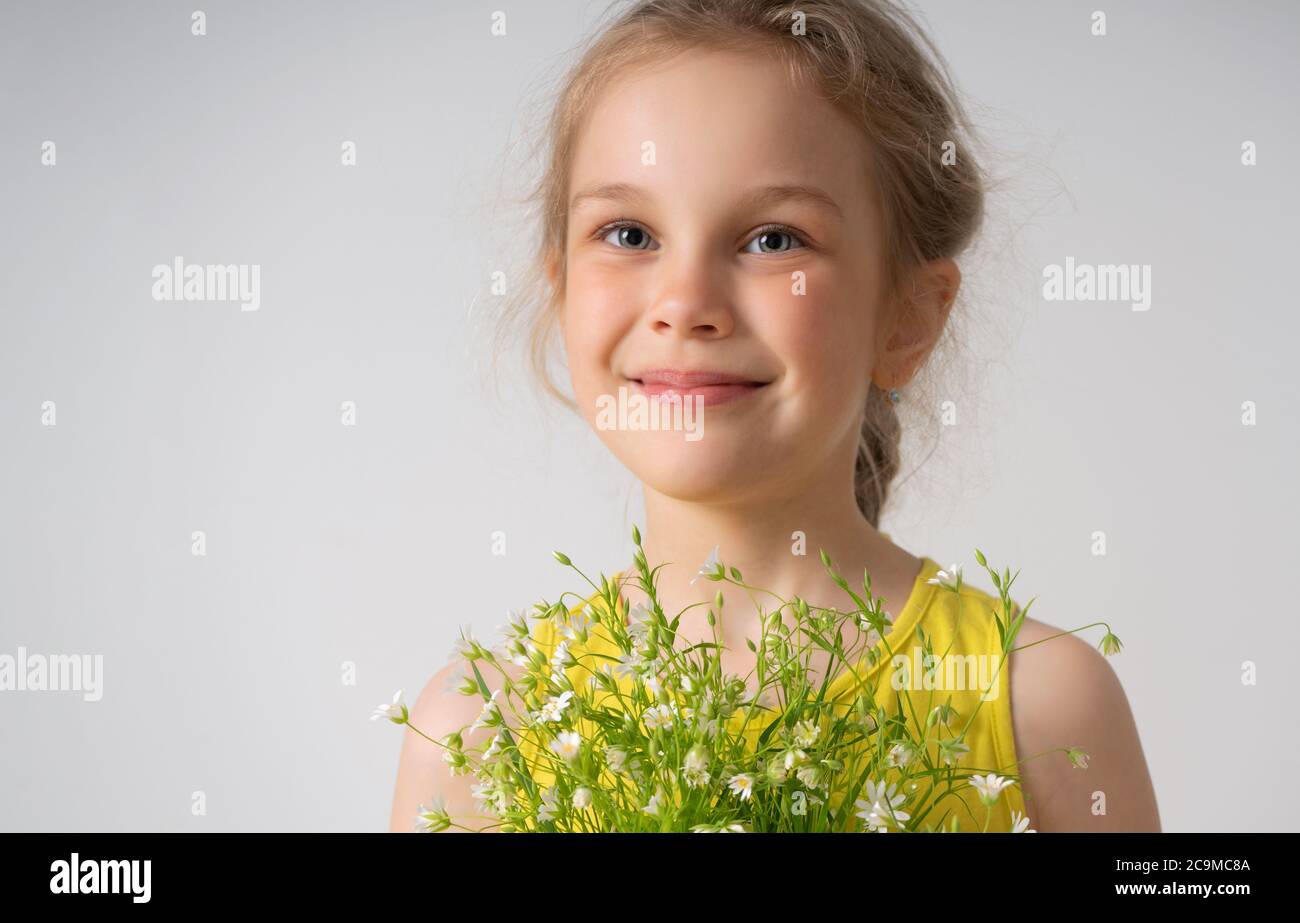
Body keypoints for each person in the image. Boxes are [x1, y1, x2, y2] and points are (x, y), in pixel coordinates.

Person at [389, 0, 1159, 833]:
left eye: (773, 240)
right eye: (628, 232)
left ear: (907, 316)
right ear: (561, 288)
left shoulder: (1037, 706)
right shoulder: (479, 734)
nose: (685, 304)